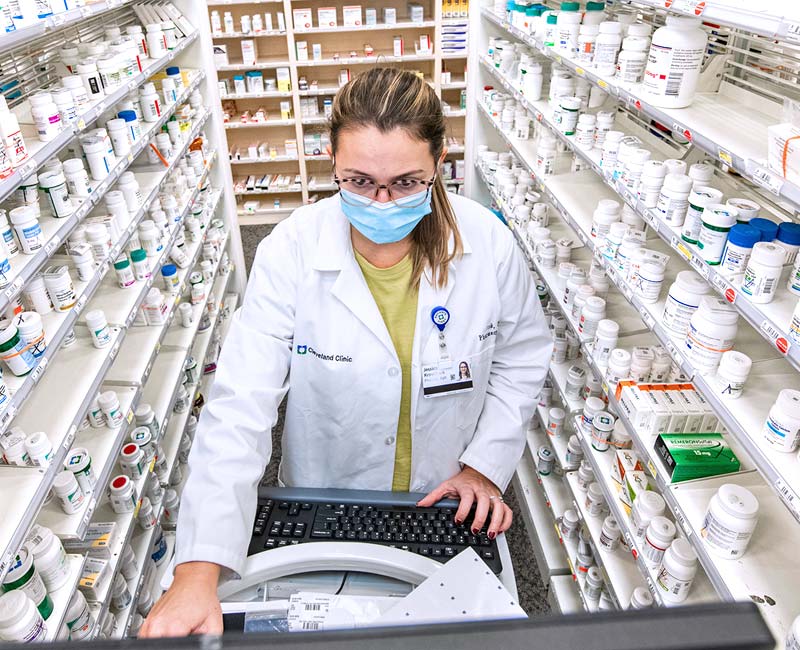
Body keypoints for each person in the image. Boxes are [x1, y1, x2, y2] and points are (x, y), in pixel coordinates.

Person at [140, 67, 551, 638]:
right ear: (330, 160)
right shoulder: (291, 250)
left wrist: (485, 464)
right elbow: (239, 407)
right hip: (324, 490)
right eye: (359, 181)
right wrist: (196, 571)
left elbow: (523, 355)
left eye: (406, 182)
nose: (382, 201)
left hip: (442, 492)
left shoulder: (487, 245)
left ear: (439, 162)